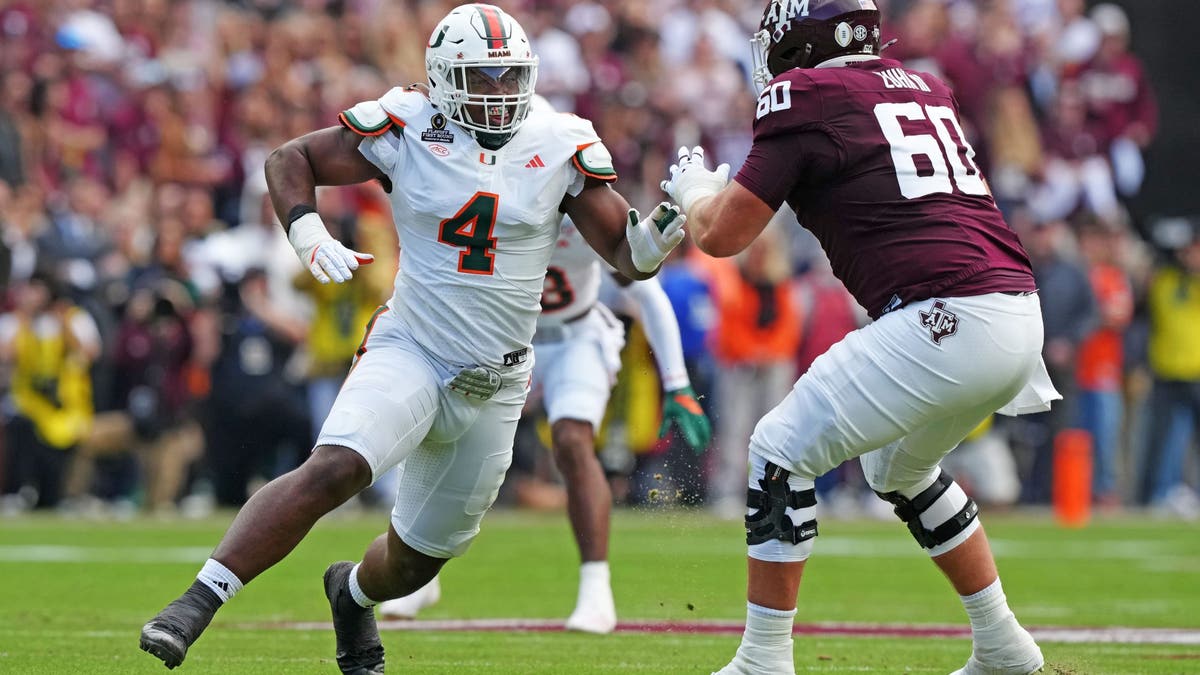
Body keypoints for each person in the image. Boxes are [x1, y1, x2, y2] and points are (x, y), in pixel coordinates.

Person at [138, 5, 686, 673]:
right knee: (337, 465)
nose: (498, 93)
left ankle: (352, 592)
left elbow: (626, 259)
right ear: (443, 79)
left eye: (509, 77)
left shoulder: (559, 140)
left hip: (498, 380)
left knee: (417, 558)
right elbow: (292, 159)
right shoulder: (408, 124)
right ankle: (195, 602)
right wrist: (308, 231)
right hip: (414, 348)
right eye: (480, 79)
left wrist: (659, 235)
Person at [659, 1, 1060, 674]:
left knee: (778, 449)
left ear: (808, 36)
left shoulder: (807, 95)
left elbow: (722, 236)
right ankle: (1004, 645)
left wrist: (695, 192)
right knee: (897, 469)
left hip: (947, 312)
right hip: (1015, 309)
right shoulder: (923, 86)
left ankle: (763, 659)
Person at [377, 213, 712, 633]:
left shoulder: (589, 208)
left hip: (577, 336)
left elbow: (646, 291)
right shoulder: (499, 200)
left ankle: (596, 588)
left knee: (572, 439)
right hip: (505, 336)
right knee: (449, 435)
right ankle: (419, 570)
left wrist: (677, 383)